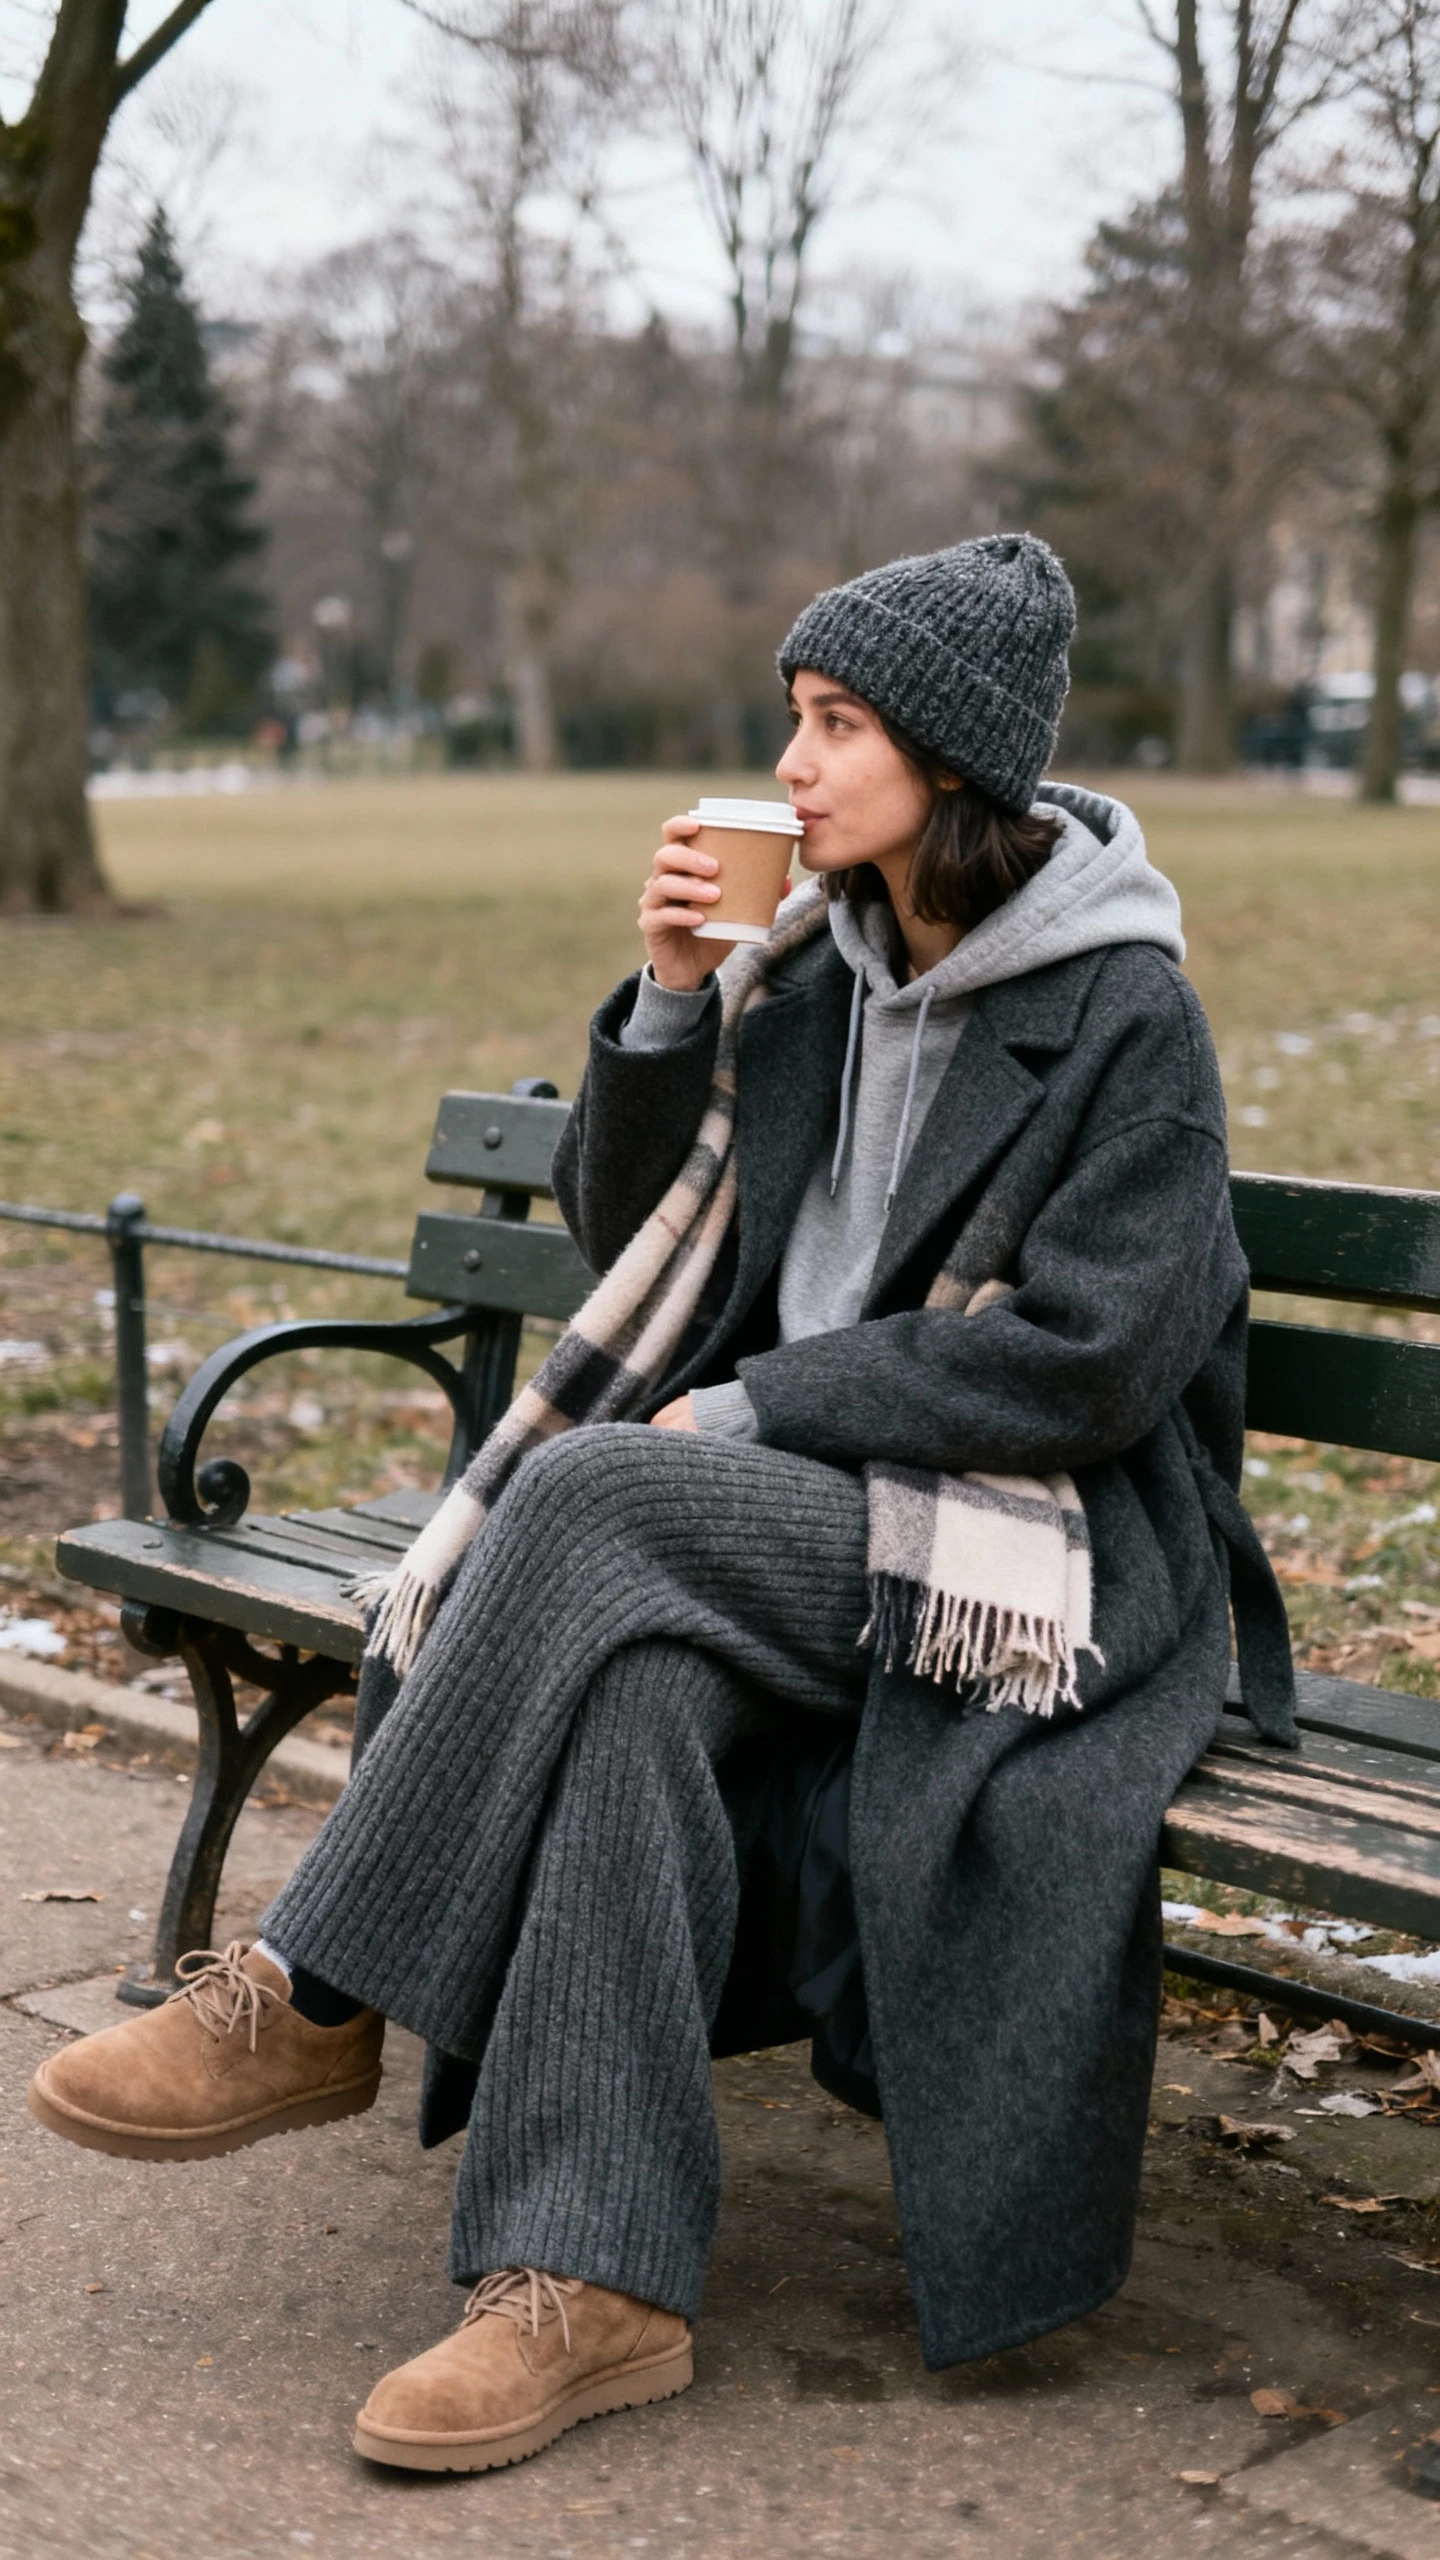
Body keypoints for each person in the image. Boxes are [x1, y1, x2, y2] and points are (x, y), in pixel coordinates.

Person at [28, 534, 1293, 2477]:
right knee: (624, 1684)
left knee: (601, 1502)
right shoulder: (820, 964)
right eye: (794, 717)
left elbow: (1097, 1361)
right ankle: (588, 2280)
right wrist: (671, 999)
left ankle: (319, 1979)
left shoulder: (1121, 1013)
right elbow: (650, 1252)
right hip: (789, 1521)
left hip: (1037, 1550)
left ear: (949, 759)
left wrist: (773, 1398)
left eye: (835, 722)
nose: (791, 763)